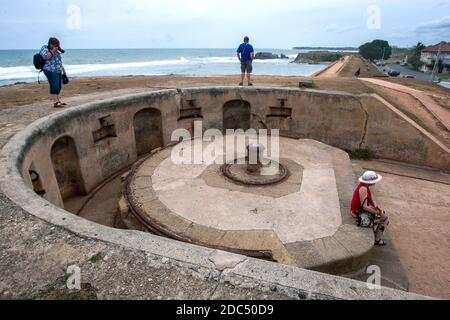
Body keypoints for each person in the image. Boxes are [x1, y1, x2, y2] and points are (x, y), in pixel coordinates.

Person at [351, 171, 389, 246]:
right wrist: (378, 212)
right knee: (385, 219)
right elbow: (364, 206)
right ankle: (377, 240)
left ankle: (376, 231)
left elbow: (371, 196)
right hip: (358, 213)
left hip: (358, 210)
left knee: (382, 214)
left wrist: (375, 205)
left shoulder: (365, 186)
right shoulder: (363, 189)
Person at [40, 37, 67, 108]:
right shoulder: (45, 48)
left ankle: (58, 101)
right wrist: (53, 51)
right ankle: (55, 102)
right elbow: (46, 57)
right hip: (49, 70)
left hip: (58, 70)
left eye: (57, 45)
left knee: (58, 86)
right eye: (54, 44)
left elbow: (59, 61)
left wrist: (63, 70)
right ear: (50, 44)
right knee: (54, 85)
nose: (56, 46)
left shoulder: (57, 50)